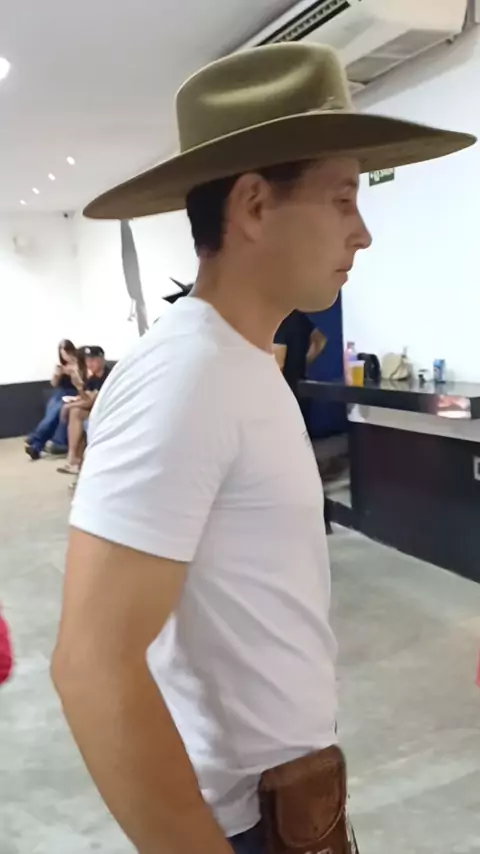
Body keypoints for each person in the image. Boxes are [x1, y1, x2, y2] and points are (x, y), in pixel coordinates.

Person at [51, 43, 474, 854]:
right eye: (343, 199)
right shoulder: (185, 374)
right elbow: (92, 665)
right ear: (252, 205)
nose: (363, 234)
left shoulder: (239, 362)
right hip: (239, 827)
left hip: (292, 804)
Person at [25, 340, 85, 461]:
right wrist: (57, 375)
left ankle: (35, 439)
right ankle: (36, 447)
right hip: (59, 393)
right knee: (51, 415)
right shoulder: (61, 365)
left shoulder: (80, 363)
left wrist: (73, 372)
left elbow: (82, 384)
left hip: (73, 393)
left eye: (66, 353)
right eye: (62, 354)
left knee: (54, 415)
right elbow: (53, 384)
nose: (65, 357)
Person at [57, 346, 110, 476]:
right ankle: (75, 461)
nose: (90, 363)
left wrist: (68, 406)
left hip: (108, 411)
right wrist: (79, 388)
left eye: (93, 360)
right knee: (76, 413)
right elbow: (86, 399)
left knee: (75, 411)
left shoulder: (108, 376)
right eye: (88, 360)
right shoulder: (92, 379)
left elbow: (91, 402)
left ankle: (73, 459)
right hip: (96, 410)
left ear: (102, 359)